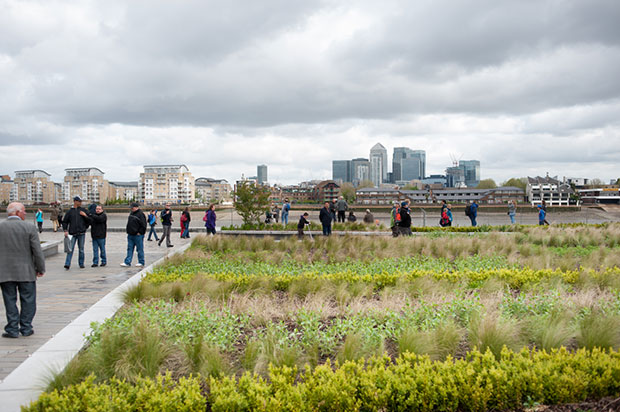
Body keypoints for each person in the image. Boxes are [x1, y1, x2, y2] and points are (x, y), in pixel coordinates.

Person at [0, 202, 45, 338]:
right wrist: (40, 268)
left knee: (9, 300)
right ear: (18, 212)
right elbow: (37, 251)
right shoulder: (29, 227)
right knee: (29, 300)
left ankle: (12, 329)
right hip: (26, 271)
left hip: (5, 272)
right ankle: (26, 327)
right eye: (24, 211)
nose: (25, 213)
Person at [62, 196, 91, 270]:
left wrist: (85, 216)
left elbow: (89, 220)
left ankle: (81, 263)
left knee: (81, 249)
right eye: (79, 201)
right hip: (72, 233)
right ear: (75, 201)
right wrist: (65, 230)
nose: (81, 203)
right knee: (70, 249)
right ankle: (67, 264)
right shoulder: (70, 212)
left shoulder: (83, 210)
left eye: (81, 201)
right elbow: (65, 221)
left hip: (81, 233)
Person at [121, 202, 147, 267]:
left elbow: (144, 225)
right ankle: (127, 262)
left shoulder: (141, 214)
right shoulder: (131, 214)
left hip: (138, 235)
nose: (131, 209)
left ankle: (141, 262)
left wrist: (140, 232)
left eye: (132, 208)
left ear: (136, 207)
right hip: (130, 234)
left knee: (139, 249)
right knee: (129, 248)